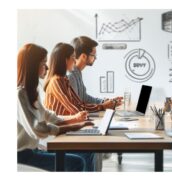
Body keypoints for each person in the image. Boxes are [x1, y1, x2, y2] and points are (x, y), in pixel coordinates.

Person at [17, 43, 95, 171]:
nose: (47, 67)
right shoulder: (20, 94)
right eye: (43, 63)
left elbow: (48, 115)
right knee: (77, 162)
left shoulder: (32, 92)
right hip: (22, 156)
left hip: (34, 150)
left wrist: (75, 120)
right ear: (32, 66)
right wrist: (73, 126)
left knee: (85, 154)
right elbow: (37, 129)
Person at [44, 43, 115, 115]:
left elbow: (79, 104)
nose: (75, 61)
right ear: (65, 60)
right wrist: (102, 106)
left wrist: (103, 105)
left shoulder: (64, 80)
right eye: (73, 57)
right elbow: (76, 108)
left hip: (65, 123)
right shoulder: (57, 81)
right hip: (58, 125)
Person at [67, 36, 122, 107]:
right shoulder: (71, 76)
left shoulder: (77, 72)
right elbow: (75, 106)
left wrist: (105, 101)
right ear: (83, 56)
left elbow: (84, 98)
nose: (95, 58)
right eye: (93, 55)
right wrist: (103, 106)